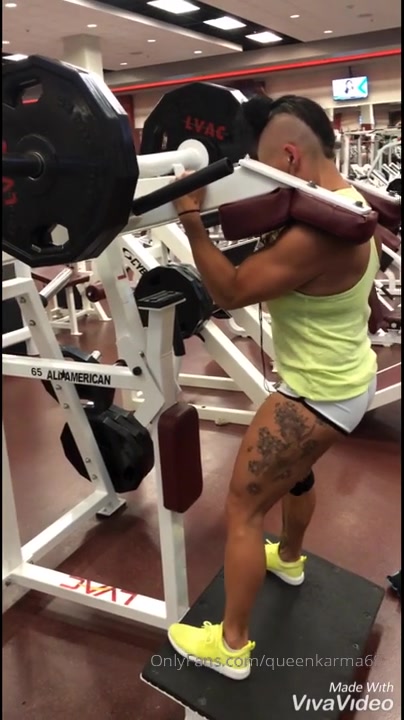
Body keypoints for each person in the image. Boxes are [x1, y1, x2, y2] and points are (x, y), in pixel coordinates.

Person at [167, 95, 380, 680]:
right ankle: (288, 557)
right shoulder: (347, 202)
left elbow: (231, 291)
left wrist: (190, 219)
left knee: (242, 508)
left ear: (289, 155)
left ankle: (231, 646)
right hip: (344, 381)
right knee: (297, 475)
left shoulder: (317, 236)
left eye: (262, 166)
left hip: (317, 396)